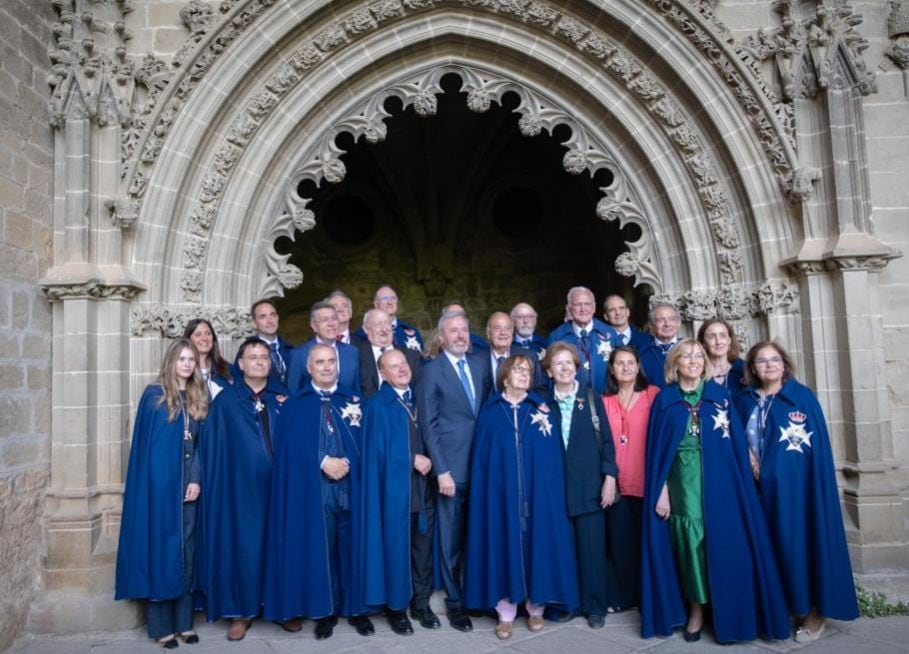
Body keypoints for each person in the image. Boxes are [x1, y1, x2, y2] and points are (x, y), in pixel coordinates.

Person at [641, 338, 790, 643]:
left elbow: (736, 445)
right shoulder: (665, 400)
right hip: (681, 482)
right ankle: (696, 610)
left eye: (698, 356)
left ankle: (728, 611)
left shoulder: (720, 397)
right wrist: (661, 490)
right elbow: (656, 452)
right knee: (691, 544)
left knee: (722, 542)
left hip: (721, 482)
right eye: (686, 356)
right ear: (675, 363)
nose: (694, 361)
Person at [735, 341, 858, 642]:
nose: (769, 365)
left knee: (800, 545)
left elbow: (812, 454)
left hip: (797, 493)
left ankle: (815, 613)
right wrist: (750, 461)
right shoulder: (745, 400)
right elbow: (735, 438)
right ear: (751, 367)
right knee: (771, 548)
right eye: (761, 361)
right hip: (757, 492)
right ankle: (790, 605)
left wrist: (773, 471)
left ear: (785, 364)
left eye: (775, 359)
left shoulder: (801, 399)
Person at [262, 343, 374, 639]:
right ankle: (326, 610)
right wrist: (323, 461)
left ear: (338, 364)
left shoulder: (354, 399)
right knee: (324, 550)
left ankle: (357, 610)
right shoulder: (297, 403)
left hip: (351, 487)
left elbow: (367, 442)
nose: (326, 367)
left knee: (353, 547)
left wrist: (347, 461)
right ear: (308, 368)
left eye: (331, 361)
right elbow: (288, 448)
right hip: (315, 491)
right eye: (319, 362)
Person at [464, 354, 579, 640]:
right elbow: (484, 462)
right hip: (501, 497)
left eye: (528, 370)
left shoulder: (540, 409)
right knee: (503, 544)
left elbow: (551, 459)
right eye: (518, 369)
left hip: (539, 496)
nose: (524, 374)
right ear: (505, 375)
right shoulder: (491, 413)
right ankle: (506, 612)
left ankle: (536, 607)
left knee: (538, 543)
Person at [115, 338, 208, 649]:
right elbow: (145, 451)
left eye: (191, 359)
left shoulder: (197, 396)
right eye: (181, 358)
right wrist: (159, 485)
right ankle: (160, 627)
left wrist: (195, 478)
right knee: (162, 552)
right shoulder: (154, 396)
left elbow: (198, 445)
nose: (186, 364)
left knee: (188, 552)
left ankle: (184, 623)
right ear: (171, 361)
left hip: (188, 490)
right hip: (159, 490)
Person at [197, 337, 288, 641]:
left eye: (264, 356)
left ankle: (283, 609)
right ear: (241, 364)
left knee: (280, 547)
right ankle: (242, 612)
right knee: (245, 549)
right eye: (253, 357)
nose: (260, 361)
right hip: (240, 490)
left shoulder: (284, 397)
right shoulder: (226, 402)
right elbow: (214, 449)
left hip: (280, 488)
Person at [416, 310, 492, 632]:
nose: (461, 335)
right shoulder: (431, 371)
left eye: (464, 330)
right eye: (453, 331)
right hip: (452, 468)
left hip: (484, 464)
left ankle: (476, 595)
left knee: (478, 533)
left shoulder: (480, 364)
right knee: (450, 538)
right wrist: (442, 470)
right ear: (441, 337)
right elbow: (428, 425)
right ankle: (455, 602)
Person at [360, 349, 440, 633]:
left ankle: (421, 604)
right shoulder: (378, 405)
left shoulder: (420, 396)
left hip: (425, 490)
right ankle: (397, 609)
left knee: (423, 551)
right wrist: (409, 459)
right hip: (395, 494)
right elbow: (374, 453)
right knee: (397, 551)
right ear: (383, 373)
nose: (401, 369)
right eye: (393, 366)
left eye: (403, 363)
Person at [542, 342, 617, 629]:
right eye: (557, 364)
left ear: (577, 367)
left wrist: (609, 478)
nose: (564, 368)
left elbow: (608, 443)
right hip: (555, 490)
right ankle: (568, 603)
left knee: (592, 550)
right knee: (564, 549)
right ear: (549, 371)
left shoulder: (592, 398)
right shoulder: (542, 403)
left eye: (569, 363)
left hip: (590, 487)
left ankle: (595, 605)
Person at [602, 345, 659, 612]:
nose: (625, 367)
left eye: (630, 363)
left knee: (648, 542)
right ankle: (624, 597)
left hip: (648, 481)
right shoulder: (604, 401)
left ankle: (649, 595)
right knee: (621, 543)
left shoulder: (653, 396)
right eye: (619, 363)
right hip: (617, 484)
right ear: (611, 369)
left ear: (638, 366)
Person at [547, 286, 619, 395]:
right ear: (569, 308)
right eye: (577, 305)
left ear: (594, 307)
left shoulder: (610, 334)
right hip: (571, 402)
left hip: (606, 400)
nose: (583, 309)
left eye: (587, 304)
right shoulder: (557, 337)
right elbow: (550, 375)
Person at [285, 301, 361, 394]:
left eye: (334, 318)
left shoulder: (352, 352)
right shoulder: (299, 354)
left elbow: (357, 392)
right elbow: (293, 392)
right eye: (325, 320)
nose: (331, 323)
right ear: (314, 326)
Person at [356, 308, 422, 398]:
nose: (384, 329)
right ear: (366, 329)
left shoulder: (410, 355)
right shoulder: (356, 356)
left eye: (387, 323)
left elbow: (419, 389)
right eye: (378, 324)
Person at [486, 311, 546, 392]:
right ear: (488, 333)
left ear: (512, 332)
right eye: (497, 328)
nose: (503, 333)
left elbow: (540, 389)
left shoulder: (529, 356)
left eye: (507, 328)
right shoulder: (478, 360)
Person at [355, 285, 425, 353]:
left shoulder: (410, 330)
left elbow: (421, 359)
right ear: (376, 304)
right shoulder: (363, 333)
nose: (390, 302)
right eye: (385, 298)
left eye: (393, 298)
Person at [242, 299, 293, 389]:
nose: (270, 320)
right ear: (254, 323)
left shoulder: (290, 349)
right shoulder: (246, 351)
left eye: (273, 315)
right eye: (263, 317)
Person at [183, 318, 231, 399]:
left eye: (208, 334)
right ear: (188, 340)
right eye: (198, 334)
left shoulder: (227, 369)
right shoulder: (184, 369)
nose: (204, 338)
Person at [697, 318, 746, 396]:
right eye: (711, 337)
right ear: (703, 343)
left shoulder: (744, 369)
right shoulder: (697, 372)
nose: (718, 342)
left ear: (729, 340)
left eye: (723, 336)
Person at [639, 303, 681, 388]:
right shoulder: (641, 353)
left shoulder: (691, 349)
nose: (667, 324)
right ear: (651, 325)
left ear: (678, 323)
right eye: (661, 320)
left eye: (672, 319)